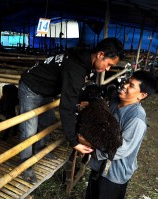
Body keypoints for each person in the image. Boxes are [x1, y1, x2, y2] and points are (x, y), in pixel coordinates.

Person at [18, 37, 124, 183]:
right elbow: (66, 106)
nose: (107, 69)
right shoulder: (76, 68)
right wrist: (74, 141)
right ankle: (25, 165)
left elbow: (74, 92)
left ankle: (38, 150)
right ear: (100, 55)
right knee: (29, 129)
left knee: (48, 120)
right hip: (31, 87)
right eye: (108, 64)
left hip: (46, 89)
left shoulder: (84, 59)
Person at [85, 70, 158, 199]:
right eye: (127, 81)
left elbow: (121, 149)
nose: (124, 85)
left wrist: (93, 150)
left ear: (142, 95)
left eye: (131, 85)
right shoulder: (115, 101)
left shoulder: (136, 118)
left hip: (114, 173)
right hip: (98, 166)